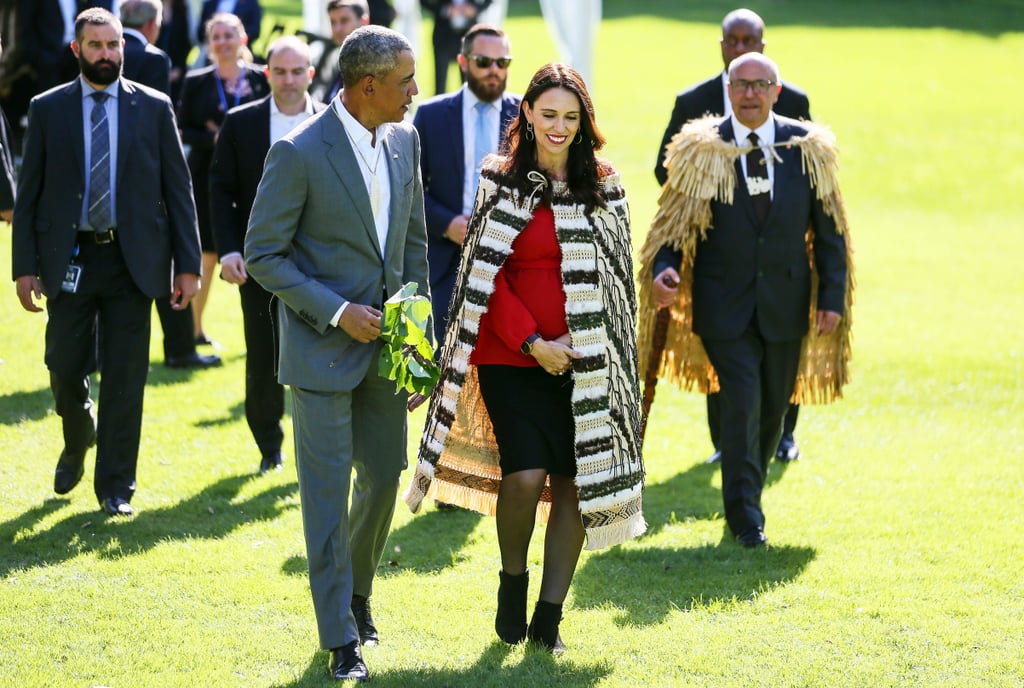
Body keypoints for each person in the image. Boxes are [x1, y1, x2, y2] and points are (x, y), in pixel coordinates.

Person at [405, 62, 646, 654]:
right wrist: (534, 343)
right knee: (525, 476)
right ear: (528, 116)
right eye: (548, 114)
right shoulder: (499, 180)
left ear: (584, 122)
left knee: (572, 487)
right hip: (512, 354)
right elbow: (482, 273)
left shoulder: (606, 184)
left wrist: (595, 357)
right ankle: (512, 581)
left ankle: (549, 620)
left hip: (584, 362)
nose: (559, 127)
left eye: (571, 117)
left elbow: (618, 288)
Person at [244, 25, 425, 682]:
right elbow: (263, 254)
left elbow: (413, 250)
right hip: (318, 355)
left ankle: (354, 592)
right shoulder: (297, 152)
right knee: (324, 499)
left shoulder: (407, 139)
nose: (415, 91)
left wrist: (416, 349)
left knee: (382, 480)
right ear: (368, 86)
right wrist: (336, 311)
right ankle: (340, 637)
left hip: (388, 354)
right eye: (406, 80)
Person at [639, 52, 854, 547]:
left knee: (774, 407)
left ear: (777, 91)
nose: (751, 94)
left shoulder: (806, 150)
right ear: (728, 89)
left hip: (786, 303)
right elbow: (672, 227)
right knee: (742, 398)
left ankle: (746, 490)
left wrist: (833, 297)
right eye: (741, 85)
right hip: (723, 305)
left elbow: (830, 233)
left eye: (761, 85)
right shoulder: (702, 150)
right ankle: (744, 516)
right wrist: (666, 268)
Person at [12, 7, 201, 517]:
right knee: (63, 365)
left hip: (133, 260)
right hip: (68, 258)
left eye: (113, 45)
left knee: (125, 376)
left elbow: (178, 191)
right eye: (95, 46)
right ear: (77, 50)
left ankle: (116, 486)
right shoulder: (48, 108)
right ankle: (78, 436)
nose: (106, 55)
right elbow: (28, 196)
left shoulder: (154, 106)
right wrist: (23, 267)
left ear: (123, 46)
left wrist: (188, 265)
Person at [653, 8, 811, 465]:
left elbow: (810, 167)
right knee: (725, 351)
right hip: (718, 244)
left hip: (778, 248)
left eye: (749, 41)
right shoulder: (694, 100)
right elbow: (663, 166)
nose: (740, 48)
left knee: (780, 350)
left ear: (764, 48)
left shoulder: (794, 100)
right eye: (732, 41)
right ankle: (725, 441)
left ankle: (782, 436)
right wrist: (707, 184)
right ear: (721, 46)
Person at [210, 36, 326, 474]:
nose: (290, 80)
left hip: (320, 266)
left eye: (298, 71)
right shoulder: (242, 124)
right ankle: (269, 447)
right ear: (266, 74)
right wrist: (227, 251)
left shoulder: (333, 122)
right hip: (260, 263)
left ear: (311, 75)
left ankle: (316, 447)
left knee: (320, 358)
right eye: (280, 71)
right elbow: (219, 190)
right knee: (262, 357)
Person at [121, 0, 221, 370]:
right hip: (149, 177)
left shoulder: (97, 52)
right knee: (169, 261)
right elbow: (158, 122)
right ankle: (181, 348)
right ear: (151, 25)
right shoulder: (154, 59)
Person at [412, 23, 519, 345]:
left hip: (511, 260)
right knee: (445, 361)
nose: (494, 71)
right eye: (484, 62)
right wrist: (447, 223)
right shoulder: (431, 115)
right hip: (446, 260)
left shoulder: (527, 114)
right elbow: (410, 187)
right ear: (463, 62)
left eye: (503, 63)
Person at [178, 12, 268, 347]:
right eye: (216, 37)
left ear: (242, 39)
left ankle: (262, 336)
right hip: (206, 177)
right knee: (206, 253)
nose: (223, 42)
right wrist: (212, 140)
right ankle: (194, 330)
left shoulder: (262, 79)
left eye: (229, 35)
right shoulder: (197, 80)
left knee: (259, 253)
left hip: (255, 179)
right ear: (209, 43)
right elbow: (182, 129)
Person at [419, 0, 491, 95]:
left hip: (469, 36)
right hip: (443, 36)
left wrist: (476, 9)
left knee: (469, 86)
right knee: (440, 85)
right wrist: (444, 10)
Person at [311, 0, 370, 104]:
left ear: (363, 22)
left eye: (344, 20)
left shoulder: (378, 65)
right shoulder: (334, 59)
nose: (336, 28)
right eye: (333, 22)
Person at [198, 0, 262, 46]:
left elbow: (255, 30)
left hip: (241, 52)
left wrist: (234, 36)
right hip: (212, 55)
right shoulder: (209, 4)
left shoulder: (250, 3)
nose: (222, 42)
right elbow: (201, 33)